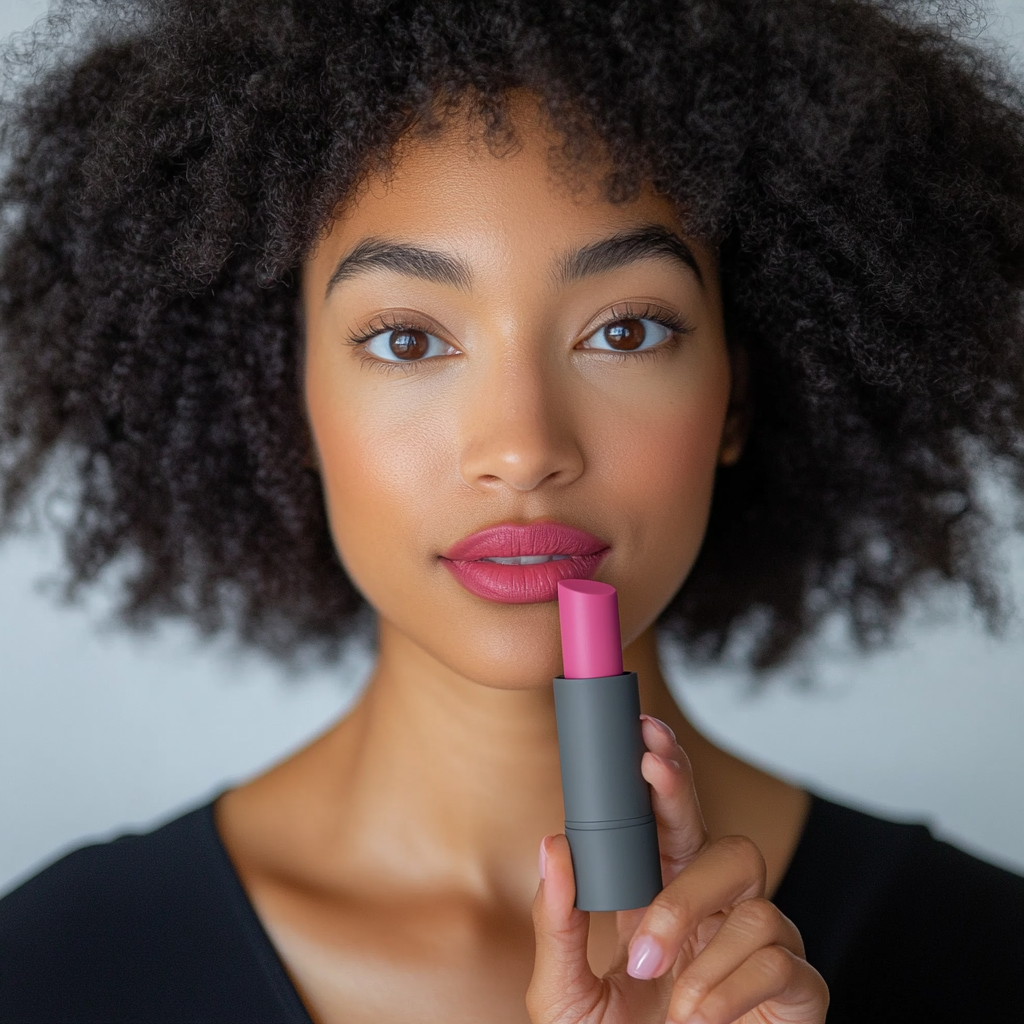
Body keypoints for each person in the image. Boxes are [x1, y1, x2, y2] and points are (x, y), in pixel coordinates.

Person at [1, 0, 1023, 1021]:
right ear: (289, 396)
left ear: (736, 398)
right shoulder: (56, 969)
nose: (525, 448)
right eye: (407, 339)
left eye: (624, 331)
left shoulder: (979, 958)